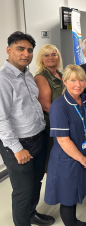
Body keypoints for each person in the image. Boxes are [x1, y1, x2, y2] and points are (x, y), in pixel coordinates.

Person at [0, 31, 55, 226]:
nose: (26, 54)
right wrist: (17, 149)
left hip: (37, 138)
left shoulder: (27, 74)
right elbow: (1, 119)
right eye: (20, 49)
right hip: (19, 144)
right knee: (22, 190)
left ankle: (32, 214)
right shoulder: (3, 80)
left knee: (36, 181)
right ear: (9, 50)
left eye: (29, 50)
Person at [44, 65, 86, 226]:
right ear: (64, 81)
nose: (77, 84)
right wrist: (82, 158)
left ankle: (74, 221)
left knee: (76, 191)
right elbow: (63, 140)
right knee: (68, 197)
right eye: (72, 80)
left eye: (81, 80)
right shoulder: (59, 106)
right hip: (67, 159)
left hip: (84, 154)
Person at [34, 44, 64, 171]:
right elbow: (46, 106)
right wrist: (66, 117)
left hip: (63, 121)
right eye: (46, 55)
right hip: (53, 123)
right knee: (53, 159)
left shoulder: (61, 75)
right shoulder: (41, 77)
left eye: (54, 54)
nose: (51, 57)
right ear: (41, 59)